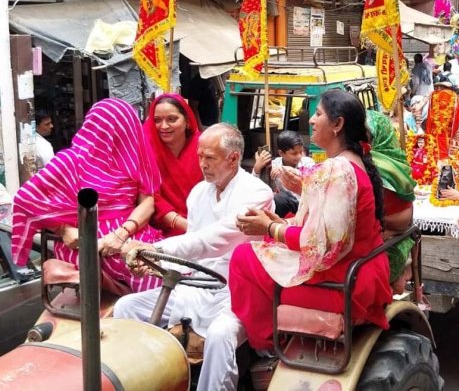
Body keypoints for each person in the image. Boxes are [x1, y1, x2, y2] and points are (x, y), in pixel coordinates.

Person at [229, 89, 393, 354]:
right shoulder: (348, 163)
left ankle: (269, 347)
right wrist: (279, 225)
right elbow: (327, 225)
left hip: (343, 283)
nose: (312, 120)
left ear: (338, 125)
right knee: (264, 245)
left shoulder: (337, 169)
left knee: (242, 257)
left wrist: (271, 228)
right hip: (359, 270)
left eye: (318, 114)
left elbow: (321, 246)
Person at [116, 123, 274, 391]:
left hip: (237, 292)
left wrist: (158, 251)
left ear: (233, 158)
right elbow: (194, 244)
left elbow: (211, 240)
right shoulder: (198, 193)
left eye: (209, 158)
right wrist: (152, 264)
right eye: (200, 156)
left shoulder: (257, 193)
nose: (202, 164)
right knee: (125, 308)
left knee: (220, 334)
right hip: (194, 287)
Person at [11, 98, 163, 294]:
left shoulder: (134, 159)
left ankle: (154, 316)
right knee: (139, 268)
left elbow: (148, 202)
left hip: (131, 233)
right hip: (86, 241)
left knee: (161, 263)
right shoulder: (71, 161)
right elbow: (26, 199)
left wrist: (121, 234)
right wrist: (62, 229)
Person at [366, 110, 417, 290]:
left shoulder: (383, 166)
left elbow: (405, 218)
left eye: (367, 137)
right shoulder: (355, 162)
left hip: (387, 241)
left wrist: (371, 222)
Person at [144, 94, 204, 237]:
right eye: (157, 120)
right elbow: (150, 196)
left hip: (204, 223)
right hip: (162, 229)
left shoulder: (204, 147)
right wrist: (184, 225)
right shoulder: (146, 150)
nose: (164, 126)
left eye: (172, 119)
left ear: (187, 121)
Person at [253, 131, 315, 217]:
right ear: (281, 153)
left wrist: (289, 170)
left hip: (305, 202)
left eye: (300, 152)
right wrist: (257, 168)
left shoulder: (307, 162)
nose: (299, 156)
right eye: (294, 153)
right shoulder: (274, 165)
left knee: (281, 198)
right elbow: (256, 186)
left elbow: (313, 180)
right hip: (286, 204)